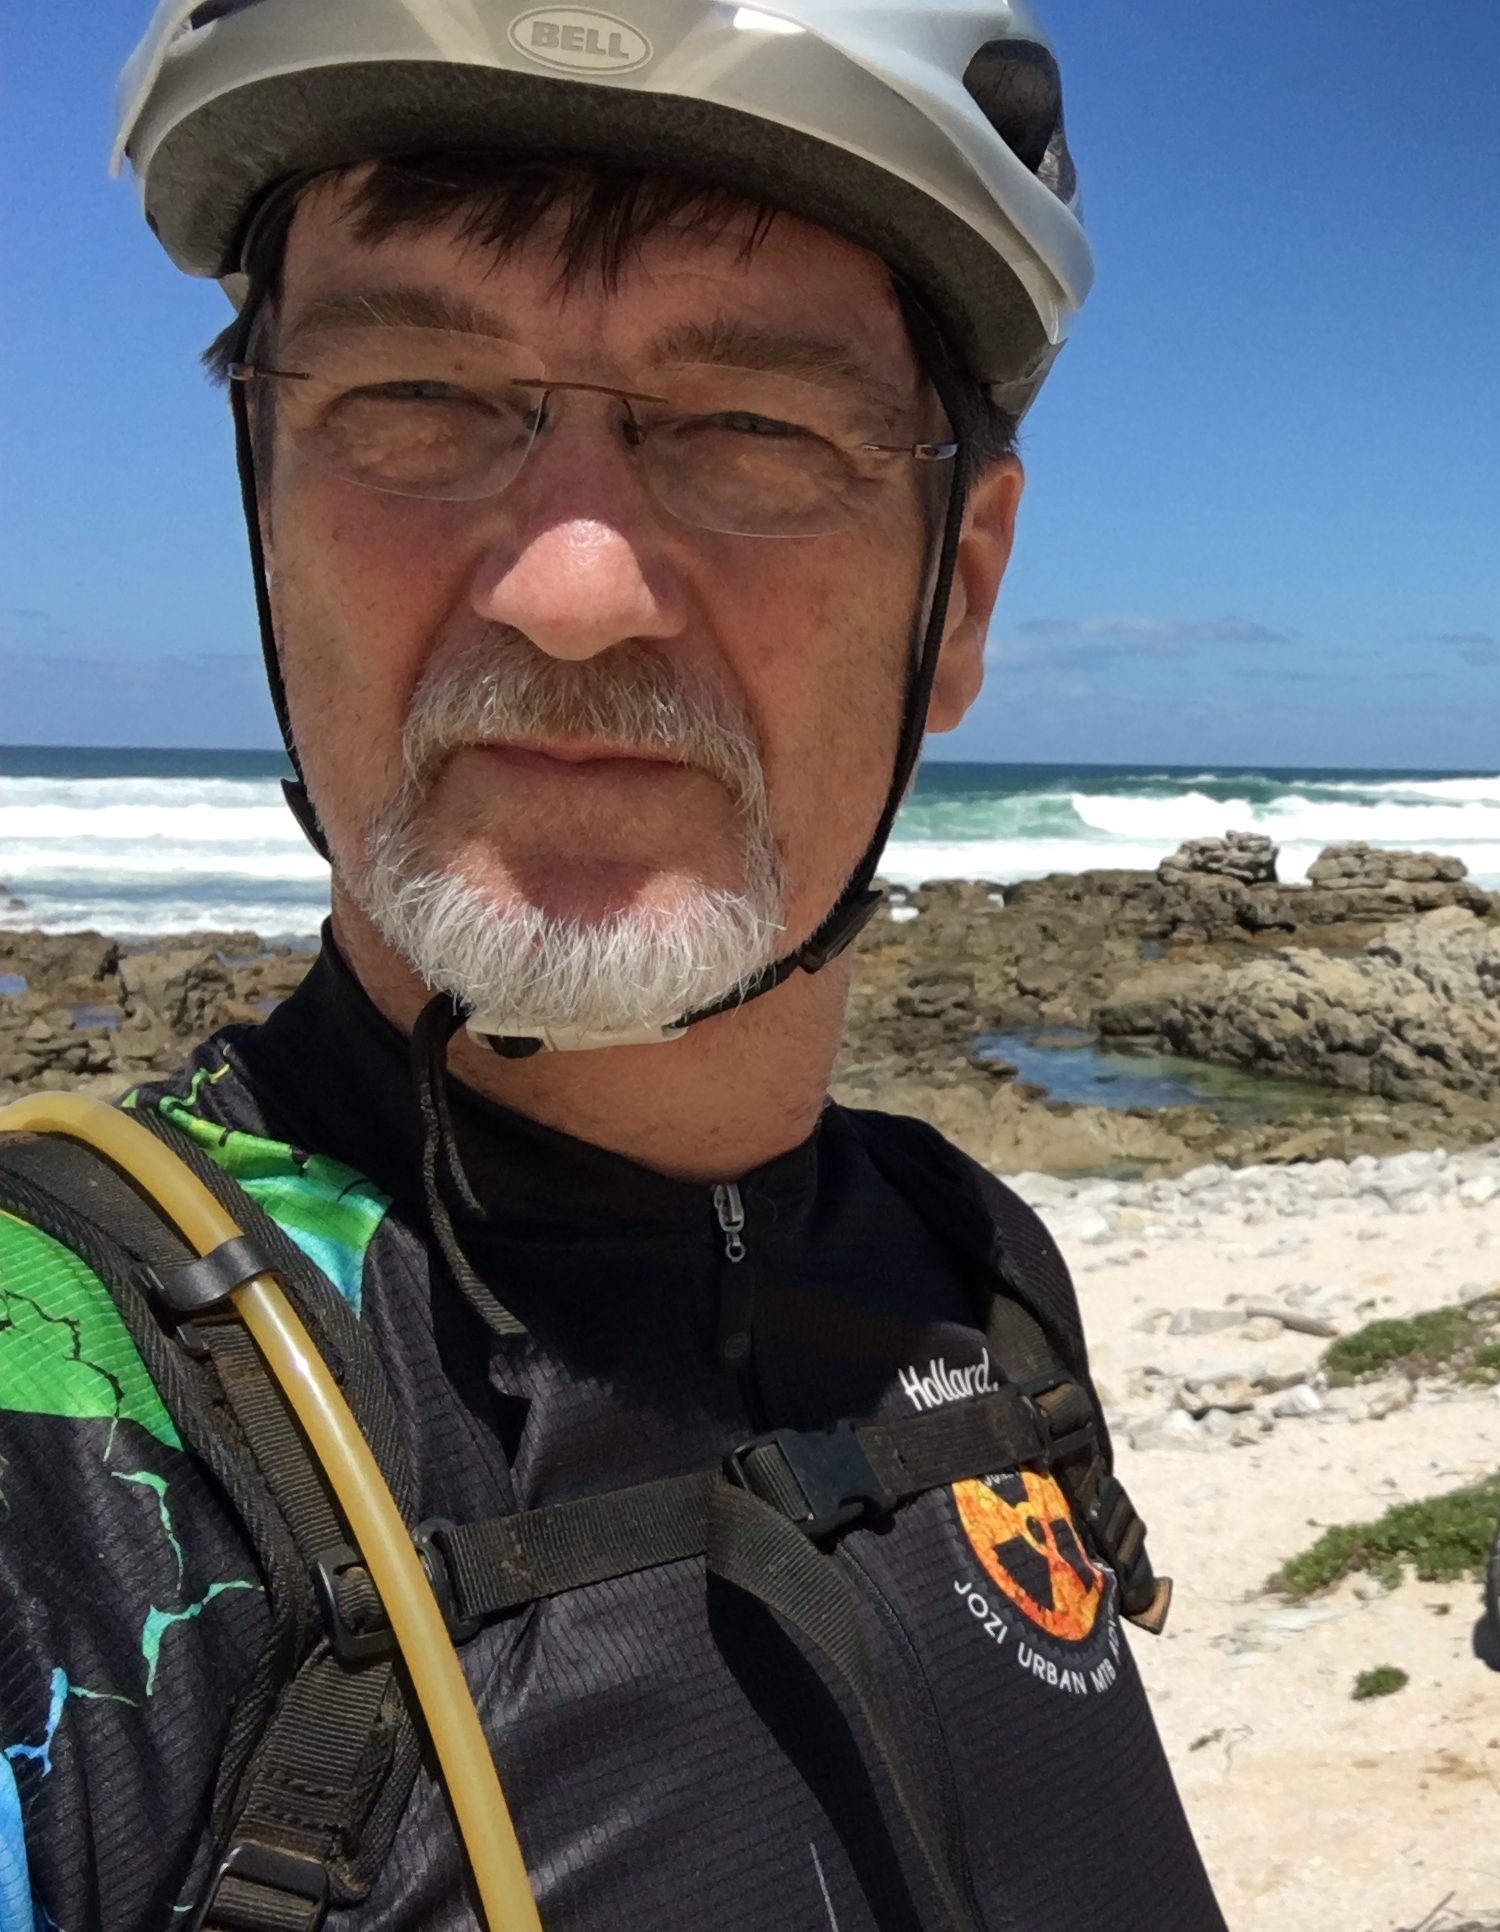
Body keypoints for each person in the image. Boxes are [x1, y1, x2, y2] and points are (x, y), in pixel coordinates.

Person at [0, 3, 1228, 1927]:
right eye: (413, 394)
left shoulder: (972, 1279)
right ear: (265, 501)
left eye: (752, 424)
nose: (570, 594)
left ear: (960, 595)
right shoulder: (58, 1444)